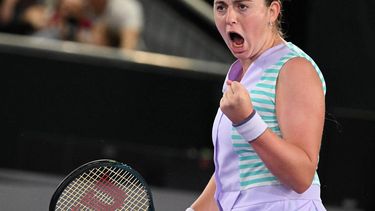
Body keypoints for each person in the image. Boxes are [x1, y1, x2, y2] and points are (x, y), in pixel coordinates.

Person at [187, 0, 327, 210]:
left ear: (272, 12)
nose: (230, 18)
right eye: (221, 7)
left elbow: (302, 175)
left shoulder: (295, 68)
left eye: (242, 6)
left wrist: (247, 121)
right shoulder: (239, 74)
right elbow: (232, 175)